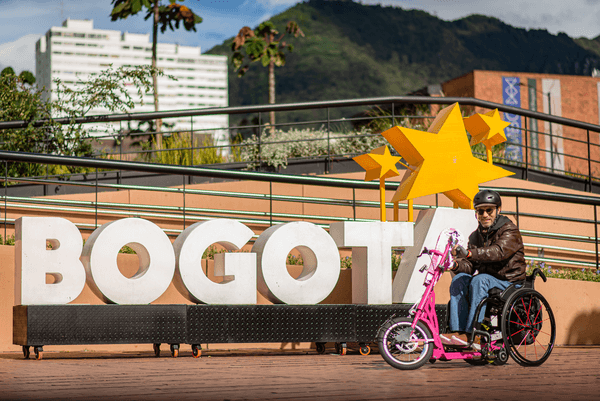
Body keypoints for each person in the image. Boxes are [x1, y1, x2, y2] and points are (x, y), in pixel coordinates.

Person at [442, 190, 526, 347]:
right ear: (476, 213)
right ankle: (458, 333)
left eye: (489, 210)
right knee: (459, 279)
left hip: (509, 282)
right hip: (486, 280)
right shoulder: (475, 236)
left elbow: (497, 252)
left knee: (480, 279)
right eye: (480, 211)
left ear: (498, 210)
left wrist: (468, 253)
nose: (485, 215)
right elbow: (470, 265)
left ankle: (474, 334)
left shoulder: (509, 230)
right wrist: (456, 264)